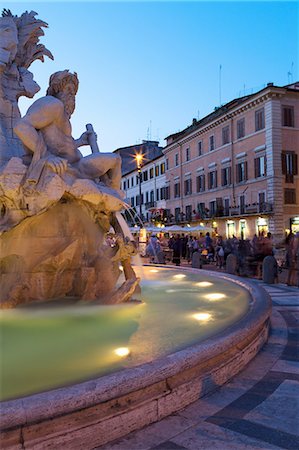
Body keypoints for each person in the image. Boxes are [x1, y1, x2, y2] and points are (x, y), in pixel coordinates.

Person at [14, 70, 122, 191]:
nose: (72, 96)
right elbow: (22, 127)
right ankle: (114, 199)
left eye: (74, 93)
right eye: (69, 90)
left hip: (77, 166)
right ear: (57, 90)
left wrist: (80, 142)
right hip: (71, 167)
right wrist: (47, 157)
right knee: (116, 160)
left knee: (115, 161)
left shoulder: (62, 116)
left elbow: (60, 147)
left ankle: (113, 198)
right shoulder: (53, 104)